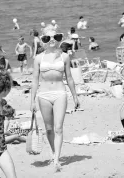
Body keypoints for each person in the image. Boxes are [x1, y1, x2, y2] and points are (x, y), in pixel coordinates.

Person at [31, 25, 79, 172]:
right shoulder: (38, 58)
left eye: (55, 37)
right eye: (48, 38)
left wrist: (75, 97)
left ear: (59, 38)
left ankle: (56, 159)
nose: (52, 40)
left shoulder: (64, 56)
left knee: (58, 128)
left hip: (60, 93)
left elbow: (69, 78)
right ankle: (53, 153)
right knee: (49, 128)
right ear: (43, 40)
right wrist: (32, 101)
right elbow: (34, 80)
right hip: (43, 95)